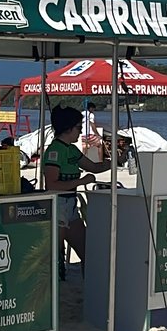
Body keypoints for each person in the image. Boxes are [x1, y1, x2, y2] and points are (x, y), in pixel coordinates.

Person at [42, 105, 108, 269]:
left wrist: (116, 161)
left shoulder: (71, 149)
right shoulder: (55, 151)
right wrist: (81, 181)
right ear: (68, 128)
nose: (80, 132)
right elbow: (52, 184)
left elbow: (93, 167)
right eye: (78, 128)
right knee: (56, 258)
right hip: (57, 206)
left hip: (70, 206)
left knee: (88, 253)